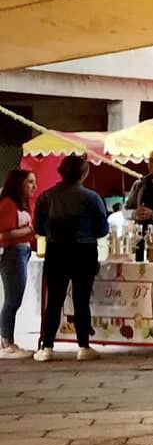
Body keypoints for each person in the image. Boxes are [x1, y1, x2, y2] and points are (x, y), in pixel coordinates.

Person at [32, 154, 109, 362]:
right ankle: (84, 346)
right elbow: (102, 229)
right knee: (81, 300)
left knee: (54, 300)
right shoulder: (92, 198)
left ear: (61, 172)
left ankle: (47, 346)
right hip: (84, 252)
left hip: (56, 251)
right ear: (84, 174)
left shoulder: (45, 197)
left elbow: (38, 228)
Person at [1, 167, 39, 358]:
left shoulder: (23, 204)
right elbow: (4, 234)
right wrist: (30, 231)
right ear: (19, 184)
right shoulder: (8, 204)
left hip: (23, 251)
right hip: (12, 252)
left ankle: (9, 340)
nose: (34, 186)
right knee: (12, 298)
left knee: (16, 297)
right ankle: (6, 341)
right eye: (30, 182)